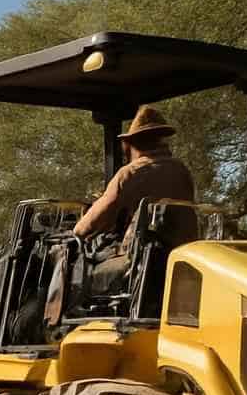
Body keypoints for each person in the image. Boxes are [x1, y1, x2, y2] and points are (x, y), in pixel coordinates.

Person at [71, 105, 195, 296]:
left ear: (133, 144)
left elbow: (93, 220)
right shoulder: (181, 169)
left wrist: (76, 231)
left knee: (76, 271)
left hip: (143, 262)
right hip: (181, 255)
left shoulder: (130, 172)